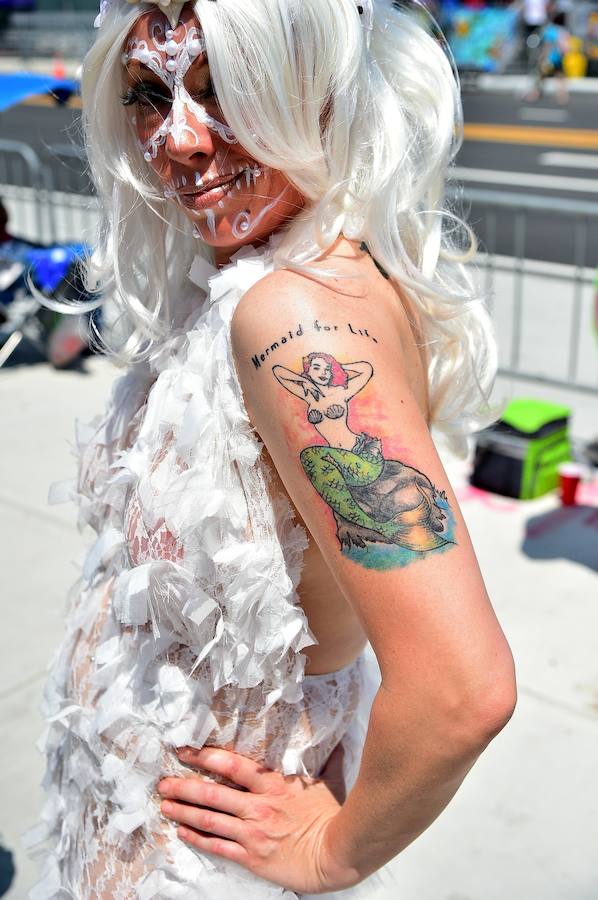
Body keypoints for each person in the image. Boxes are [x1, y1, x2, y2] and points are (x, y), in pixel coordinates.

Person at [27, 1, 517, 897]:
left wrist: (332, 852)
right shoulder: (292, 275)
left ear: (319, 94)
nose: (177, 140)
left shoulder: (290, 318)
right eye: (148, 93)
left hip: (193, 851)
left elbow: (461, 689)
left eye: (227, 92)